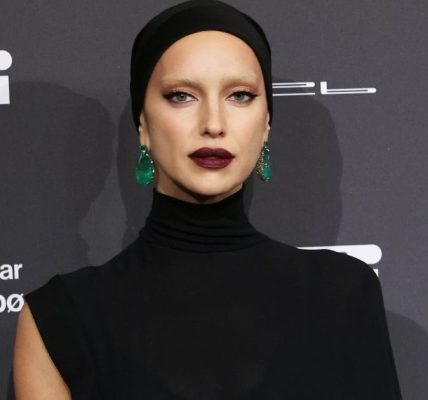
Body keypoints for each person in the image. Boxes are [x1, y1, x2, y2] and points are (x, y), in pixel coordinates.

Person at [13, 1, 402, 399]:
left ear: (267, 124)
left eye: (240, 95)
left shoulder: (345, 295)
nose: (213, 124)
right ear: (142, 124)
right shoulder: (60, 319)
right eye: (181, 95)